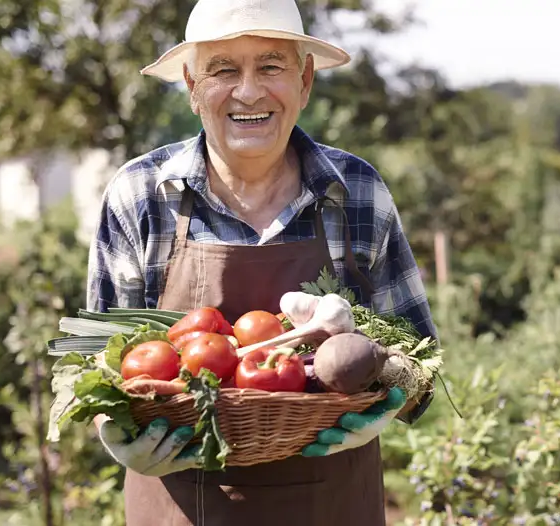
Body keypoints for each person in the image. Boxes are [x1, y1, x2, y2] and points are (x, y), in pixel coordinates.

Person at [85, 0, 438, 524]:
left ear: (305, 80)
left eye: (271, 66)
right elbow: (97, 364)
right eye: (223, 70)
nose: (248, 92)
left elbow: (420, 363)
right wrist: (113, 433)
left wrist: (388, 397)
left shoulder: (359, 193)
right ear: (191, 86)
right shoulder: (140, 195)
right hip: (178, 507)